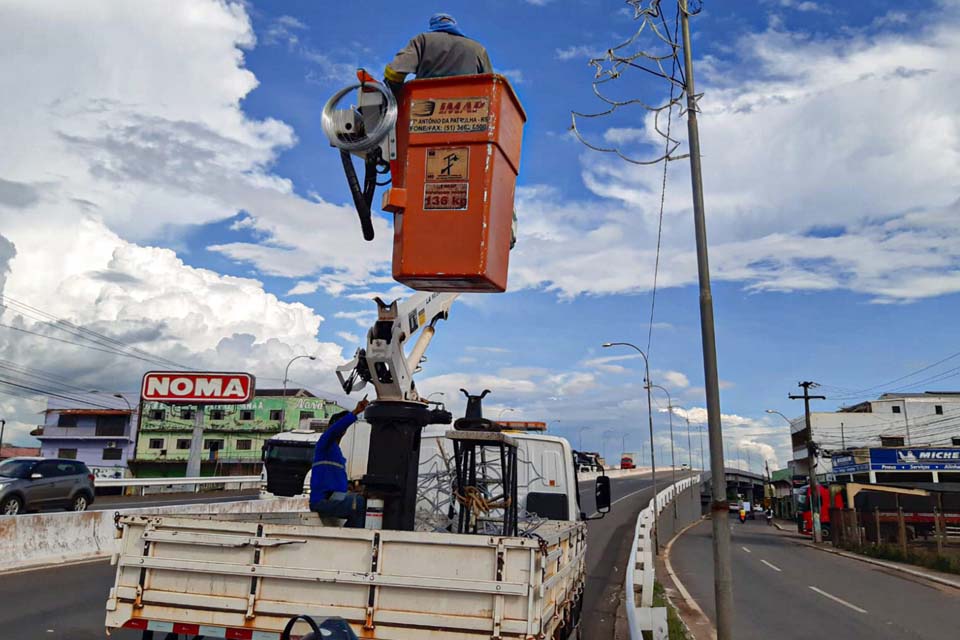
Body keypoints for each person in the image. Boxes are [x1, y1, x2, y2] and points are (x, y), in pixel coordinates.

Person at [383, 13, 493, 95]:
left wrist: (394, 90)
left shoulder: (423, 40)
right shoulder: (478, 48)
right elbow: (491, 87)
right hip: (470, 114)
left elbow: (395, 71)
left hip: (423, 110)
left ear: (433, 25)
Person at [310, 396, 369, 528]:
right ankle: (351, 540)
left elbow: (334, 480)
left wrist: (350, 488)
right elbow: (334, 430)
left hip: (333, 498)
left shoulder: (336, 452)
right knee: (359, 504)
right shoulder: (324, 444)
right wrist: (355, 412)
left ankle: (349, 537)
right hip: (323, 501)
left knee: (366, 504)